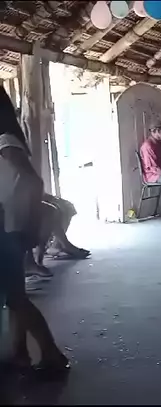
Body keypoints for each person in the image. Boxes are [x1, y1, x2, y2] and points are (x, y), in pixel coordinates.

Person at [0, 86, 69, 375]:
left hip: (9, 227)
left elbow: (33, 182)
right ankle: (20, 354)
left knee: (15, 297)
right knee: (15, 296)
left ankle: (52, 354)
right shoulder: (8, 139)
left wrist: (28, 223)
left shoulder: (5, 141)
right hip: (11, 226)